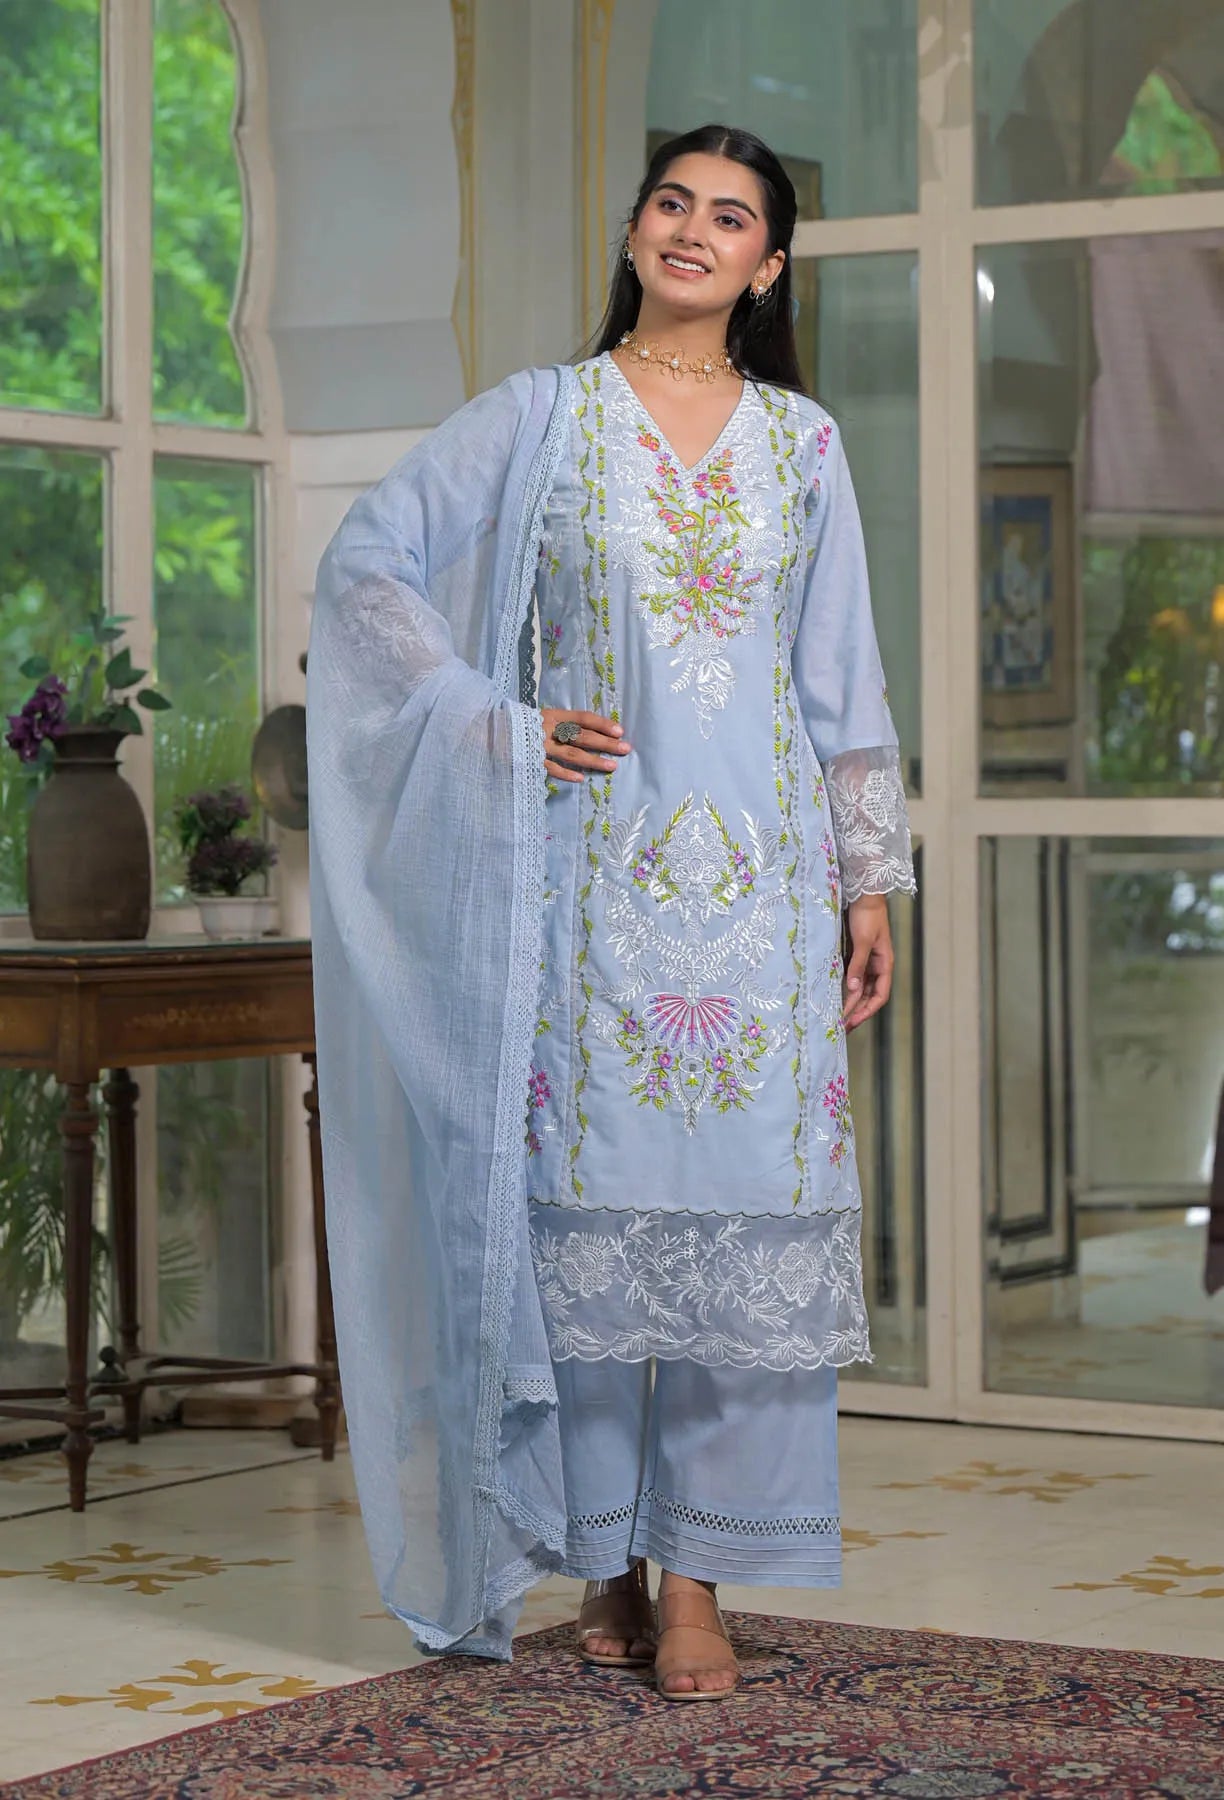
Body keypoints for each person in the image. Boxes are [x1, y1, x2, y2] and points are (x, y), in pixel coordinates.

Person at [306, 123, 915, 1704]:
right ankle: (606, 1561)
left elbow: (840, 676)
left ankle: (698, 1573)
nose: (694, 232)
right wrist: (491, 716)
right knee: (585, 1238)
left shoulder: (805, 445)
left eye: (732, 218)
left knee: (734, 1232)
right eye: (672, 202)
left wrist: (870, 880)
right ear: (638, 228)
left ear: (772, 264)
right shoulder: (540, 421)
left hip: (764, 896)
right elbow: (369, 575)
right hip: (581, 888)